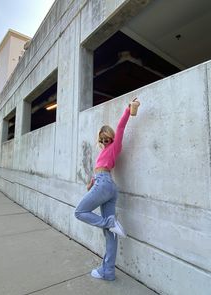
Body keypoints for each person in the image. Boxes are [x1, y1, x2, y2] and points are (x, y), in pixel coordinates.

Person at [75, 98, 140, 281]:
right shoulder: (103, 152)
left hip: (105, 184)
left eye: (107, 138)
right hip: (107, 186)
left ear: (111, 137)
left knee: (79, 212)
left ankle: (109, 222)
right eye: (101, 139)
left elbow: (120, 128)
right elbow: (99, 170)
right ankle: (108, 271)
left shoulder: (114, 147)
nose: (104, 140)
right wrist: (91, 182)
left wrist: (128, 109)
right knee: (110, 233)